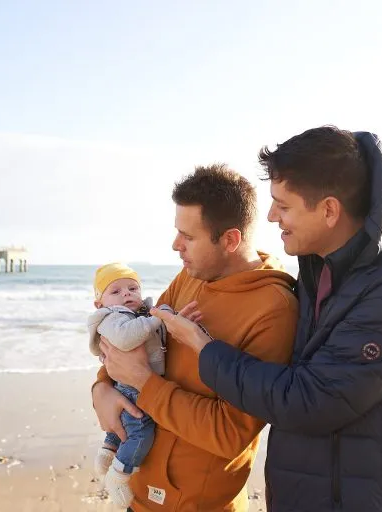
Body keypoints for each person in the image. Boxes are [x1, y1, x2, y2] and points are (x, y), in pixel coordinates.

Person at [151, 127, 382, 511]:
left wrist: (202, 346)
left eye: (283, 206)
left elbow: (310, 402)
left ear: (329, 210)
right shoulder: (317, 268)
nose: (272, 216)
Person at [92, 164, 299, 511]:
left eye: (188, 237)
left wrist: (143, 382)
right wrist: (101, 387)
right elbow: (133, 338)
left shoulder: (274, 310)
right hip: (139, 493)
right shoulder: (190, 276)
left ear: (230, 240)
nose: (176, 246)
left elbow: (228, 433)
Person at [86, 262, 195, 507]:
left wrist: (174, 321)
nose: (127, 294)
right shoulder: (110, 318)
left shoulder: (141, 314)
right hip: (131, 389)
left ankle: (108, 450)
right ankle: (120, 474)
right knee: (140, 432)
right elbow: (126, 339)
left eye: (132, 288)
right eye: (116, 291)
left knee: (125, 424)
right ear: (99, 303)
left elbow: (161, 339)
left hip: (136, 385)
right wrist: (158, 319)